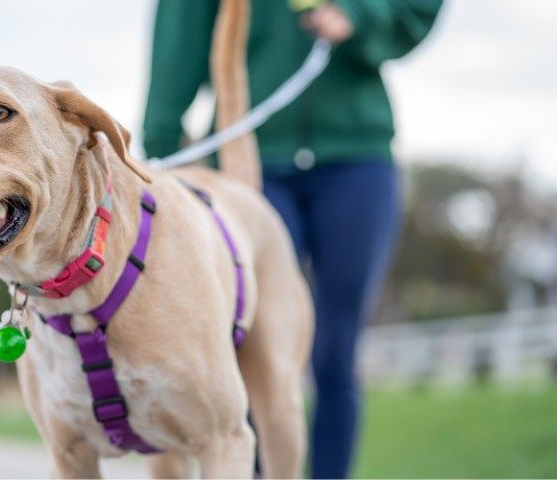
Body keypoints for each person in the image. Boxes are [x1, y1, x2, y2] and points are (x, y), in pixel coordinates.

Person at [142, 0, 442, 477]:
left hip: (356, 159)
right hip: (246, 155)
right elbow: (179, 36)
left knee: (336, 352)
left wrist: (360, 16)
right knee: (246, 346)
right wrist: (160, 151)